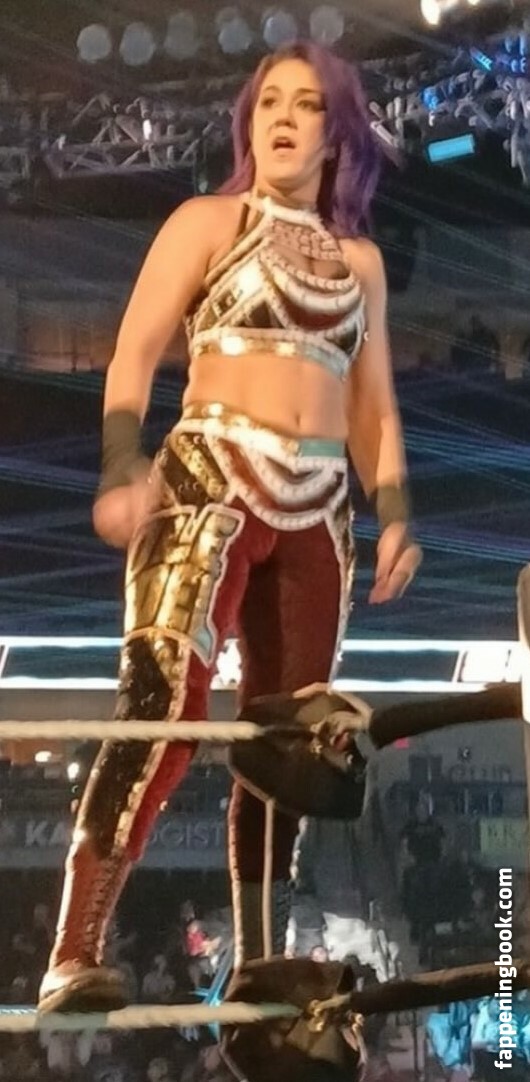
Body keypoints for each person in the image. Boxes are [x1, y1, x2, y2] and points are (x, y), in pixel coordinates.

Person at [38, 40, 421, 1014]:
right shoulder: (207, 221)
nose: (283, 118)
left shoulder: (361, 264)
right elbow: (133, 353)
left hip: (318, 507)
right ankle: (75, 947)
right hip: (208, 477)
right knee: (162, 702)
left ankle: (259, 957)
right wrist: (122, 463)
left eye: (306, 104)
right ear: (250, 124)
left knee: (287, 745)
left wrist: (393, 514)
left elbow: (374, 407)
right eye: (268, 103)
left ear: (337, 134)